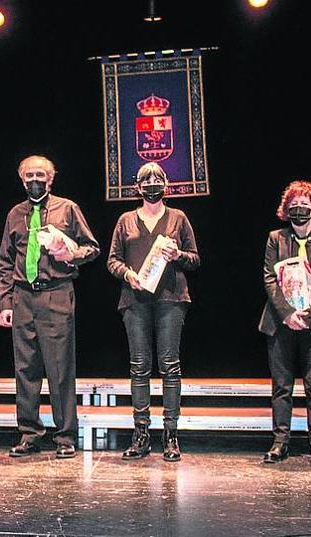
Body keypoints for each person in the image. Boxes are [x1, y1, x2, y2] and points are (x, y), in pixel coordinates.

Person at [0, 155, 100, 458]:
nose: (34, 180)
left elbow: (92, 247)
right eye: (29, 175)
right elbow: (5, 262)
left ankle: (65, 436)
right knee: (25, 369)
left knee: (59, 368)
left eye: (40, 175)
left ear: (51, 178)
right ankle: (29, 434)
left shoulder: (67, 209)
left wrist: (69, 255)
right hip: (23, 296)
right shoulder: (15, 214)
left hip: (56, 293)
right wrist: (6, 301)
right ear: (21, 179)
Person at [106, 162, 200, 461]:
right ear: (137, 187)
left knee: (170, 365)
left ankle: (171, 435)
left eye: (156, 178)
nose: (151, 183)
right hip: (135, 300)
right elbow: (112, 260)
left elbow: (195, 259)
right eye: (145, 179)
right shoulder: (125, 220)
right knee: (139, 367)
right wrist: (126, 274)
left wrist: (179, 255)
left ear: (166, 184)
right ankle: (141, 433)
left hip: (170, 299)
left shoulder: (178, 218)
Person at [259, 181, 311, 466]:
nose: (299, 209)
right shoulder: (275, 238)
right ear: (286, 209)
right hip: (280, 323)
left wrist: (309, 316)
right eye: (293, 205)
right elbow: (270, 278)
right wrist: (287, 314)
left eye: (304, 204)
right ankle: (280, 442)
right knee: (281, 386)